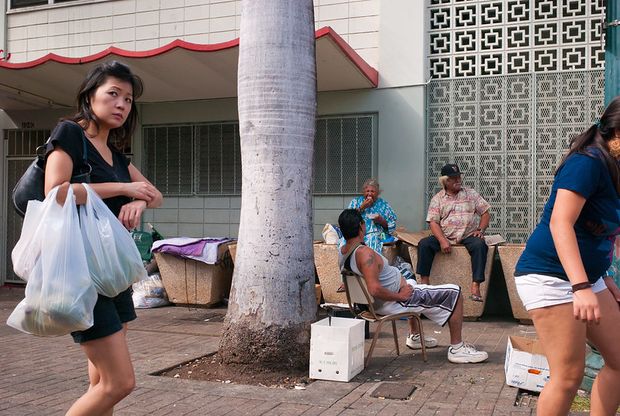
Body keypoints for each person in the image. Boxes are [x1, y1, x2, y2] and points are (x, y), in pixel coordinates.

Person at [44, 61, 163, 415]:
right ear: (89, 95)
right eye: (113, 94)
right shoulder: (70, 133)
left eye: (127, 99)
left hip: (110, 271)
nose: (121, 105)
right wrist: (124, 188)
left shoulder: (115, 155)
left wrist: (138, 201)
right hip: (79, 269)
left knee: (101, 384)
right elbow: (56, 191)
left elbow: (155, 194)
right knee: (119, 383)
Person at [514, 98, 620, 416]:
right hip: (549, 276)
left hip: (588, 279)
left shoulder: (616, 166)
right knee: (568, 376)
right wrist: (580, 286)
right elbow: (562, 222)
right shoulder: (588, 162)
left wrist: (605, 276)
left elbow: (609, 231)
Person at [338, 209, 489, 363]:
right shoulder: (364, 254)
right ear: (361, 227)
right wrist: (400, 296)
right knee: (454, 292)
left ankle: (415, 336)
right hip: (393, 301)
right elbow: (374, 289)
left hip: (380, 301)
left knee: (411, 282)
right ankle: (457, 349)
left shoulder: (344, 251)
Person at [416, 164, 491, 301]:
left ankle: (476, 286)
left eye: (459, 177)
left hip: (468, 235)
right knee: (424, 244)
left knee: (480, 245)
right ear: (445, 181)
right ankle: (425, 284)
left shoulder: (471, 193)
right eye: (454, 178)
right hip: (445, 235)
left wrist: (480, 230)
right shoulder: (437, 199)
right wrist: (442, 240)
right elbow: (433, 222)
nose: (458, 180)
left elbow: (485, 213)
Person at [347, 178, 397, 254]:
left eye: (372, 191)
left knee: (372, 239)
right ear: (363, 192)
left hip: (377, 234)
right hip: (357, 233)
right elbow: (348, 218)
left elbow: (391, 225)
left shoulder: (383, 204)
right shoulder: (356, 202)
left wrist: (381, 221)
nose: (369, 194)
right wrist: (362, 207)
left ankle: (369, 263)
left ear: (377, 193)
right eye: (367, 191)